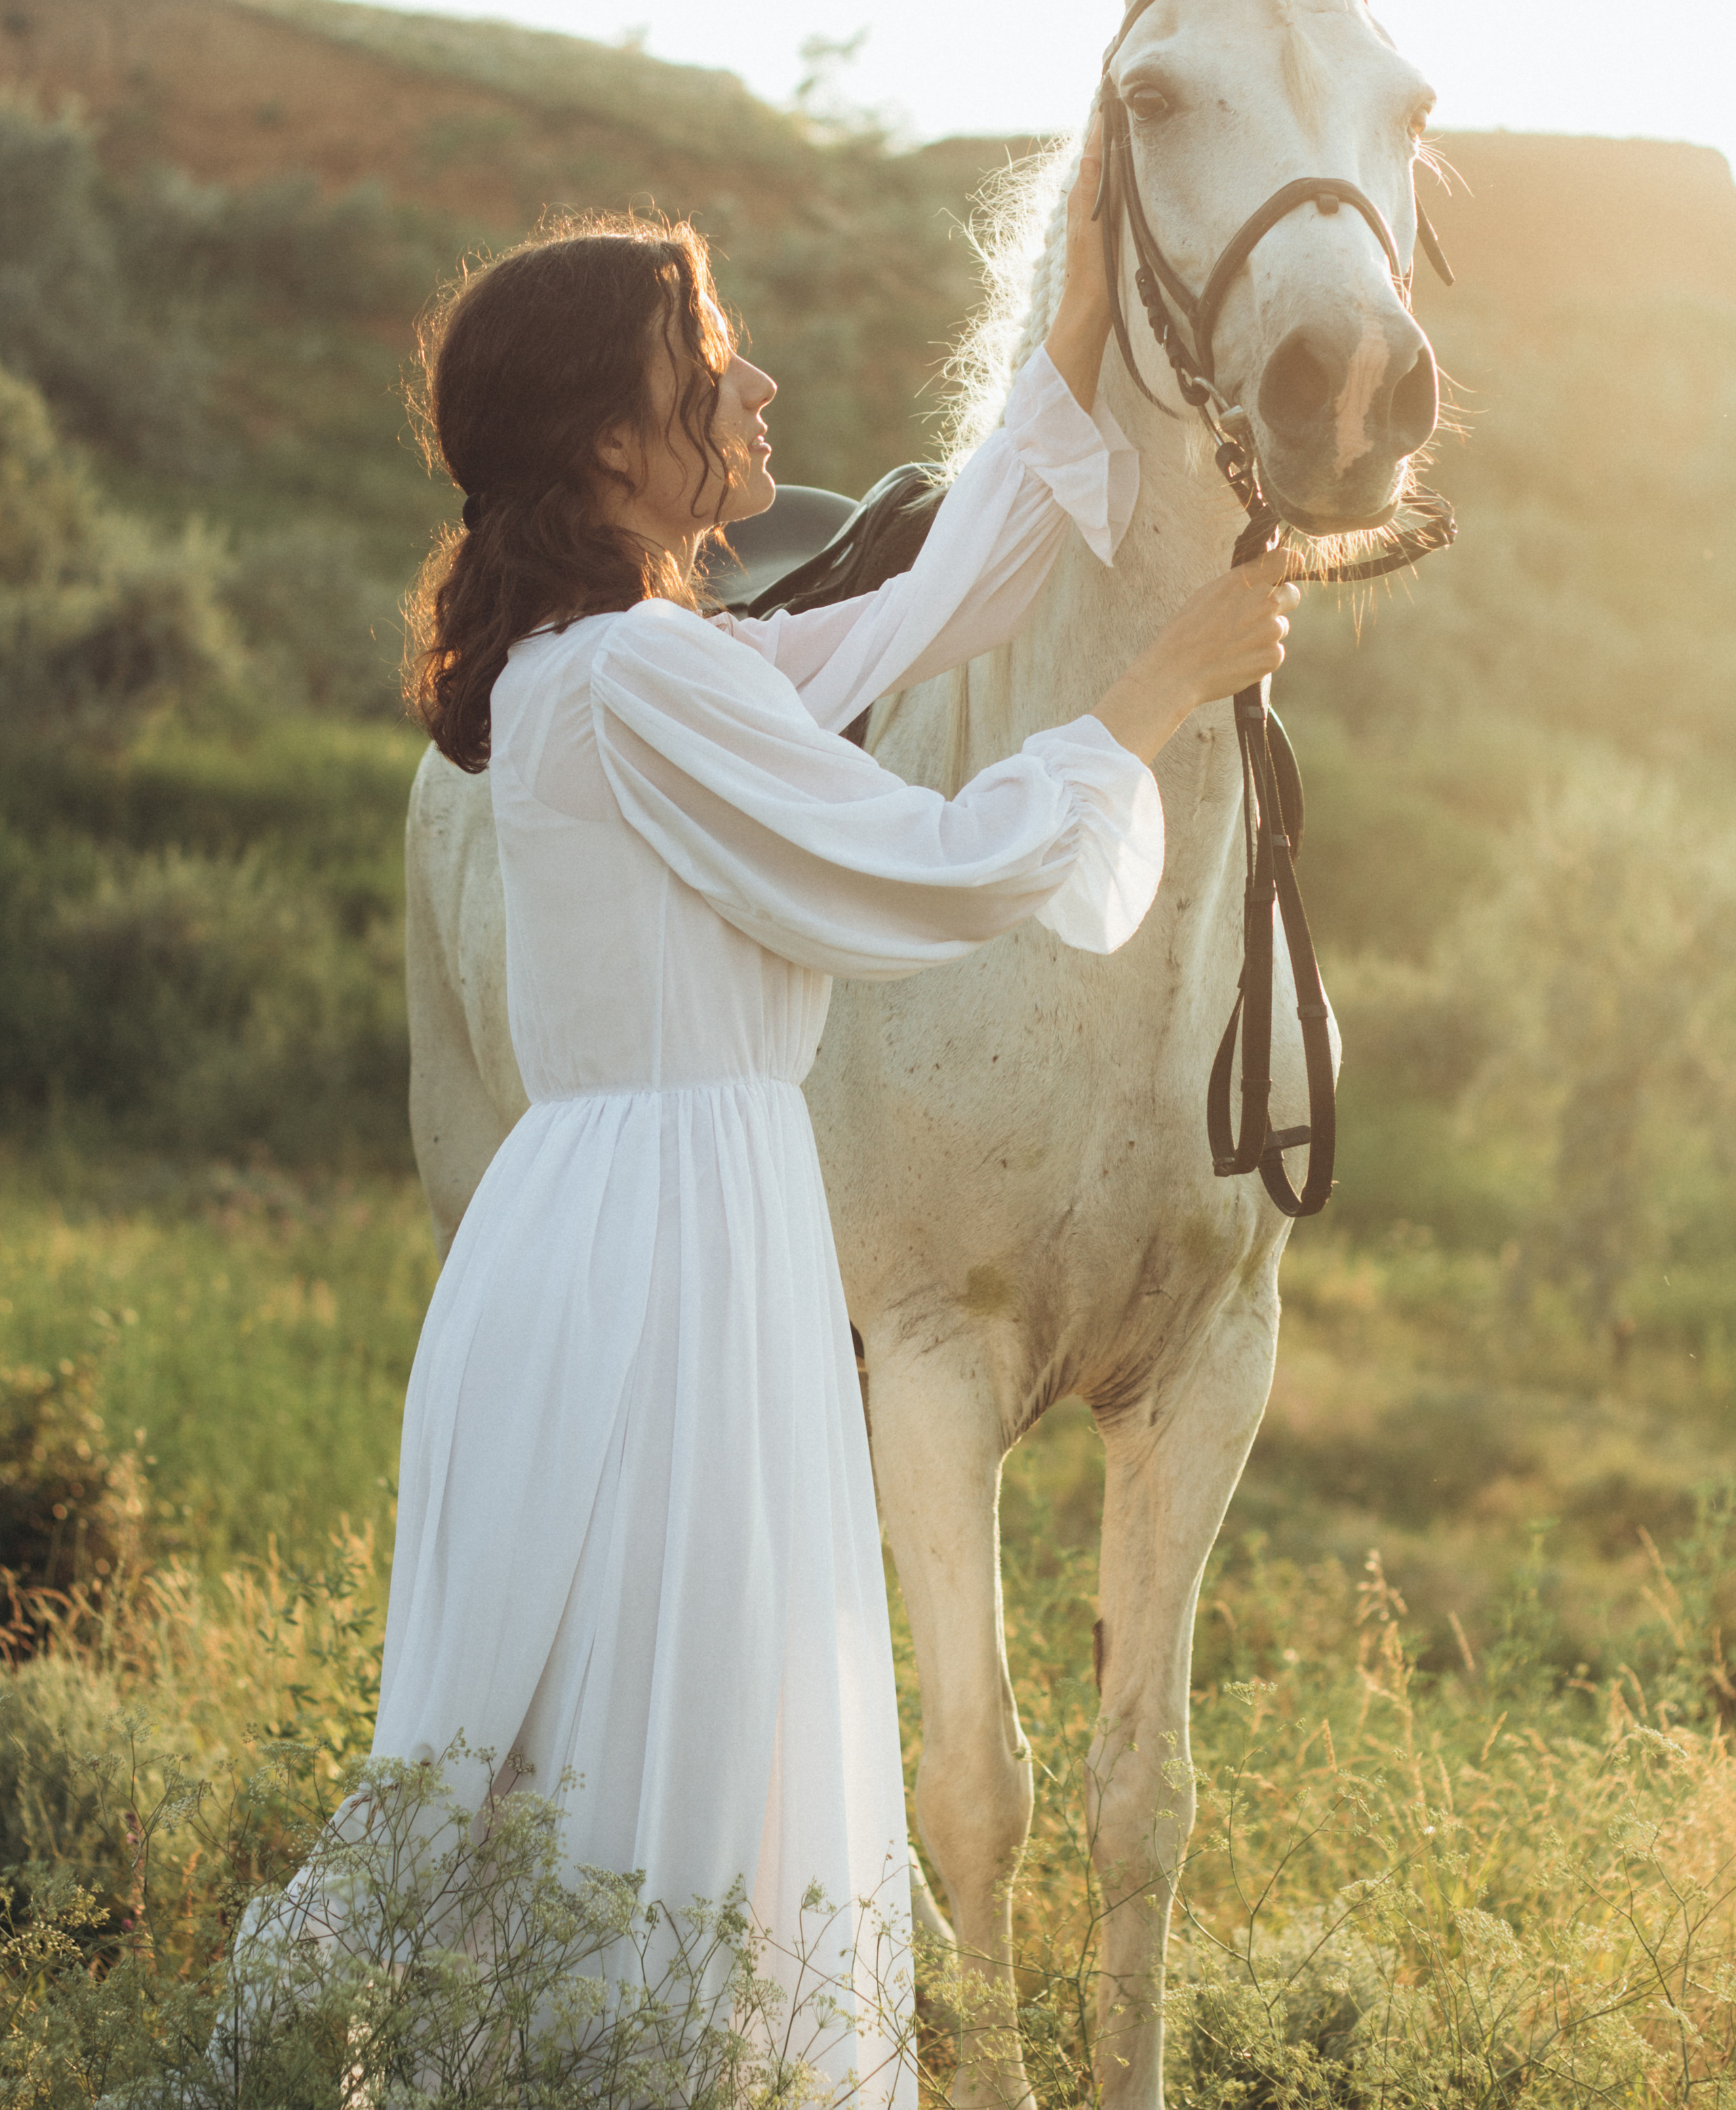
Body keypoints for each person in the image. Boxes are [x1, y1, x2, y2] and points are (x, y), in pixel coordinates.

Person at [222, 131, 1297, 2097]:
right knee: (682, 1744)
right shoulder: (647, 679)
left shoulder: (607, 664)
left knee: (597, 1761)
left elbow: (908, 617)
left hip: (611, 1226)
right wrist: (1159, 690)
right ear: (616, 457)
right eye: (708, 363)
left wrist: (1064, 340)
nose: (759, 391)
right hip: (670, 1253)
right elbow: (955, 865)